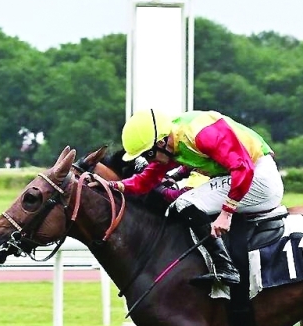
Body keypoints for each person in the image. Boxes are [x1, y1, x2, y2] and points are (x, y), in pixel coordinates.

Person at [109, 108, 284, 286]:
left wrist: (226, 213)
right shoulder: (173, 141)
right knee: (183, 204)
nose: (148, 161)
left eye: (148, 154)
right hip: (244, 175)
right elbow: (147, 180)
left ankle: (225, 268)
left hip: (257, 178)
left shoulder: (201, 134)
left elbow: (242, 168)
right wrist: (113, 185)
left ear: (161, 142)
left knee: (185, 203)